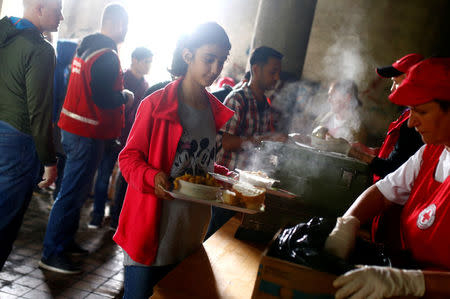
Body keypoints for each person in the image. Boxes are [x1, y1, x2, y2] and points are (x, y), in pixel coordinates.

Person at [113, 22, 234, 298]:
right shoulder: (155, 105)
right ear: (187, 55)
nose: (215, 70)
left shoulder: (213, 112)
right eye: (208, 59)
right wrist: (151, 176)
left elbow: (196, 164)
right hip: (151, 234)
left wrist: (223, 176)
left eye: (221, 61)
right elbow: (128, 158)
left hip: (190, 234)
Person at [324, 57, 450, 299]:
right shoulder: (430, 152)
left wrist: (410, 283)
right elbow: (383, 192)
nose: (412, 122)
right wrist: (348, 223)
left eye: (421, 111)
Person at [39, 3, 133, 274]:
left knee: (76, 192)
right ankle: (52, 252)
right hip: (85, 132)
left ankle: (65, 242)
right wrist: (125, 97)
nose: (126, 31)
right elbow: (103, 97)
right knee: (70, 194)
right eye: (125, 25)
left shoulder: (87, 46)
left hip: (76, 128)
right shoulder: (107, 55)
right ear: (115, 24)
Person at [0, 0, 63, 270]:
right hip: (18, 142)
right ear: (39, 8)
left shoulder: (4, 35)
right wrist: (49, 161)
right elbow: (39, 113)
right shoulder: (40, 49)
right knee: (4, 224)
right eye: (57, 8)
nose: (62, 16)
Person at [207, 46, 287, 239]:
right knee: (215, 235)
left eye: (278, 72)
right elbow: (226, 142)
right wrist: (264, 139)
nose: (276, 78)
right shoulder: (237, 99)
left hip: (246, 185)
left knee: (231, 238)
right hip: (228, 184)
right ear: (256, 69)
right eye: (272, 72)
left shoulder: (264, 104)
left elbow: (258, 143)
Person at [348, 53, 424, 182]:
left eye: (395, 83)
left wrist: (353, 153)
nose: (392, 89)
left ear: (410, 82)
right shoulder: (406, 114)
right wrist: (369, 151)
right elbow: (398, 154)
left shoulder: (415, 124)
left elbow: (392, 169)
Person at [106, 47, 153, 230]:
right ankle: (104, 217)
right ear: (135, 60)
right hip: (116, 133)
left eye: (150, 61)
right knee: (108, 175)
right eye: (146, 61)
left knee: (124, 177)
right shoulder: (123, 78)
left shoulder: (145, 84)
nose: (148, 65)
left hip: (132, 136)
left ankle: (116, 218)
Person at [312, 79, 367, 144]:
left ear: (346, 98)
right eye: (329, 95)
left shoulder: (357, 128)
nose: (329, 100)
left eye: (332, 95)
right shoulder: (322, 118)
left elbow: (353, 152)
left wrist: (334, 143)